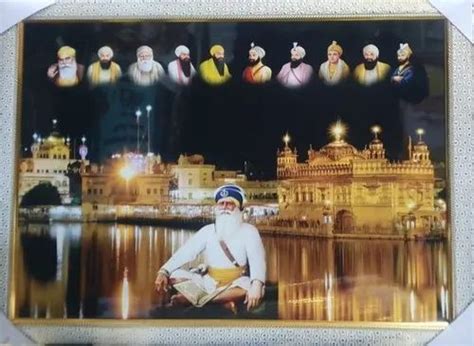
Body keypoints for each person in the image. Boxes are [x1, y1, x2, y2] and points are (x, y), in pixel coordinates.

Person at [155, 184, 266, 311]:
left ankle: (199, 300)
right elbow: (186, 252)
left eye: (230, 204)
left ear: (240, 208)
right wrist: (164, 271)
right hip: (209, 282)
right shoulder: (208, 231)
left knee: (251, 287)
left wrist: (257, 284)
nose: (225, 208)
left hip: (236, 283)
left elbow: (257, 260)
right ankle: (221, 302)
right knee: (174, 275)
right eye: (221, 204)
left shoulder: (249, 231)